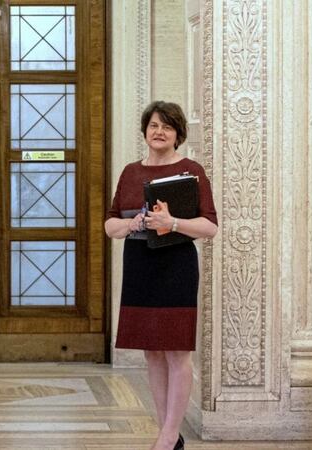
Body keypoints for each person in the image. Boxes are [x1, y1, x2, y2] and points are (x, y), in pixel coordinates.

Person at [104, 101, 217, 450]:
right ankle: (168, 430)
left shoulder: (191, 171)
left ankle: (168, 437)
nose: (159, 131)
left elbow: (210, 226)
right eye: (153, 125)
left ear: (178, 134)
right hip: (139, 265)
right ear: (145, 131)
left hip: (176, 266)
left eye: (167, 126)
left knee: (176, 352)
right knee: (151, 352)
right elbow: (110, 225)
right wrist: (129, 223)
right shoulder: (129, 172)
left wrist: (174, 224)